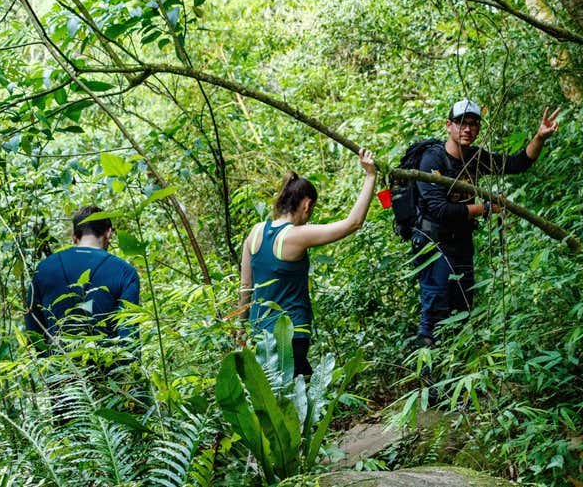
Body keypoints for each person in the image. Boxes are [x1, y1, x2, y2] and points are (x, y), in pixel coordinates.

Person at [412, 99, 560, 346]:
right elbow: (440, 210)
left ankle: (453, 372)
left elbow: (516, 163)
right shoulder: (431, 161)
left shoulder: (475, 157)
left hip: (461, 243)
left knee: (463, 310)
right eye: (461, 123)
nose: (467, 129)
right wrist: (487, 208)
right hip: (432, 245)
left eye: (473, 124)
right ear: (449, 125)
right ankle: (428, 377)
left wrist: (540, 137)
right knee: (434, 312)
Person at [239, 148, 377, 377]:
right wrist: (370, 176)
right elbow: (353, 223)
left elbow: (246, 289)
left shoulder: (255, 232)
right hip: (291, 334)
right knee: (295, 398)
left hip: (259, 334)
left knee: (284, 394)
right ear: (306, 204)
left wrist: (240, 331)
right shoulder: (295, 235)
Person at [26, 206, 140, 356]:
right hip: (109, 374)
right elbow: (129, 337)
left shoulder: (44, 268)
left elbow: (34, 332)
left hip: (57, 371)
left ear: (74, 236)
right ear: (108, 233)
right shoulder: (125, 272)